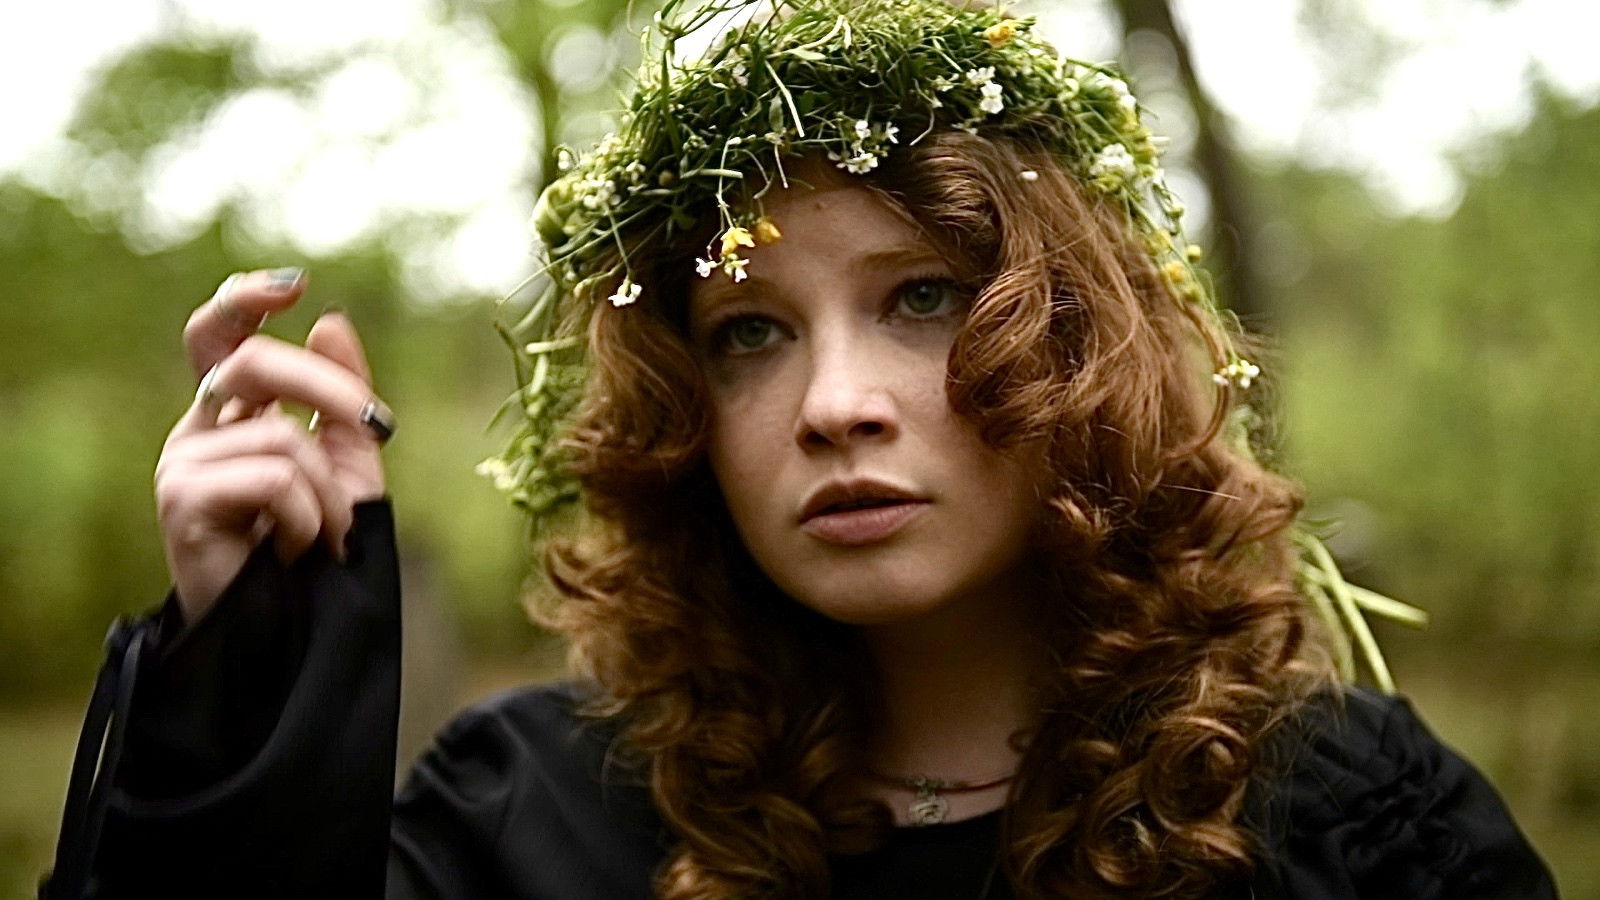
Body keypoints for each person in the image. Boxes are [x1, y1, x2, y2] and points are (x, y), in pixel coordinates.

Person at [47, 0, 1556, 897]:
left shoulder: (1347, 824)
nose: (835, 401)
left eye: (921, 299)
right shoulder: (532, 822)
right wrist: (252, 668)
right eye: (749, 331)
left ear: (1077, 349)